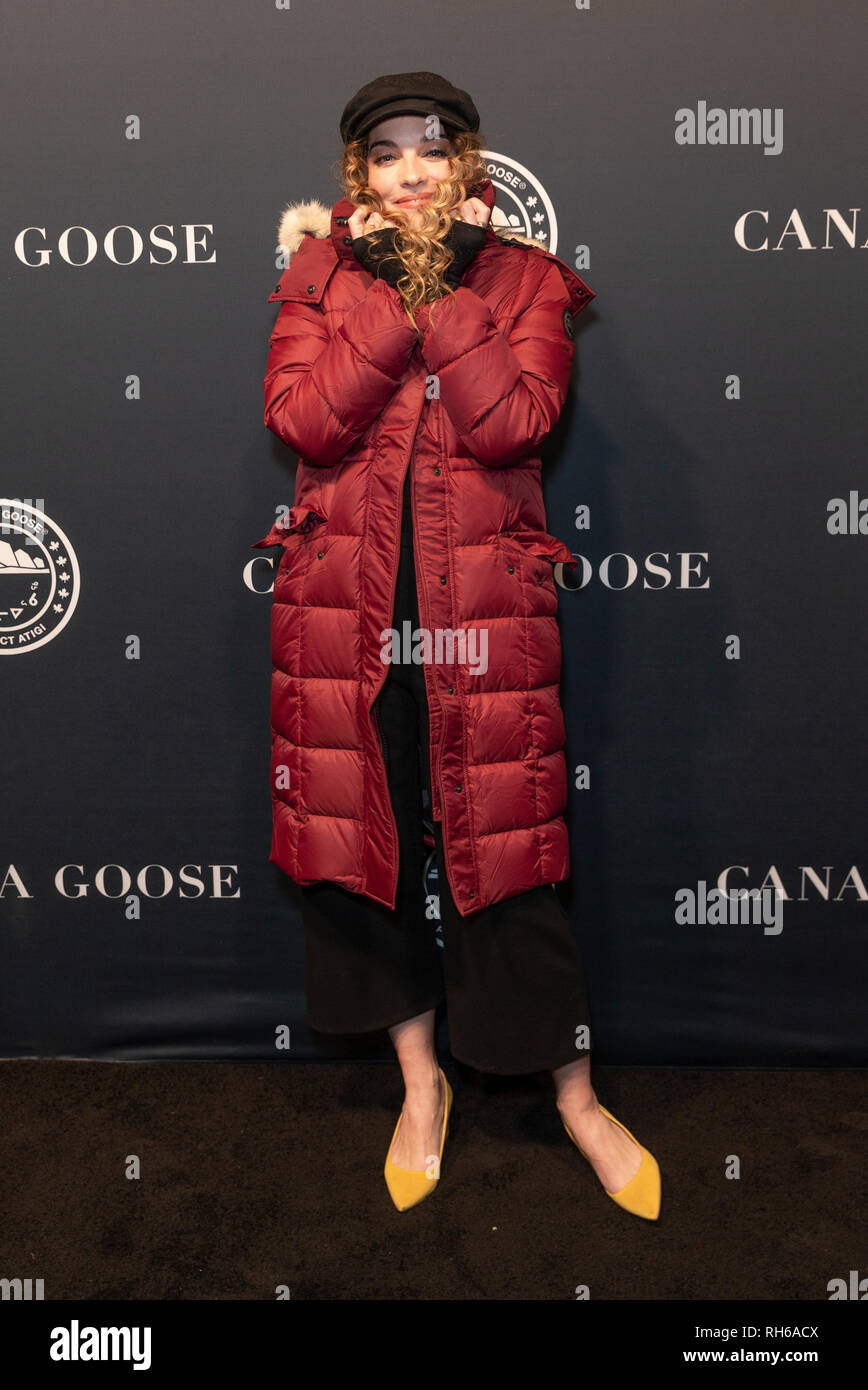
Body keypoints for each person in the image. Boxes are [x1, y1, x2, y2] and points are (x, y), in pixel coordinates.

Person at [253, 71, 660, 1220]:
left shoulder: (524, 278)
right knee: (363, 850)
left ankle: (575, 1099)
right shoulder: (317, 274)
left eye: (433, 148)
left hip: (485, 610)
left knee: (510, 850)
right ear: (360, 175)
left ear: (467, 161)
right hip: (345, 615)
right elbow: (303, 421)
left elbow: (512, 423)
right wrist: (383, 296)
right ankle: (421, 1086)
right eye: (386, 154)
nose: (412, 169)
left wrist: (442, 294)